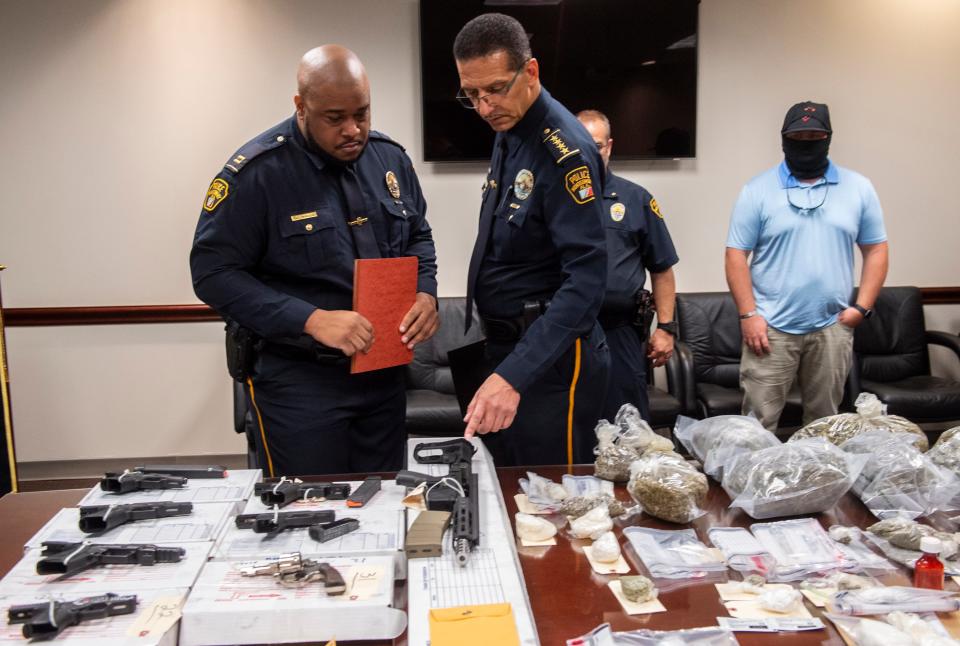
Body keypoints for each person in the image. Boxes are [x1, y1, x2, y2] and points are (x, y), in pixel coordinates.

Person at [190, 45, 439, 476]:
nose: (353, 130)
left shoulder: (390, 159)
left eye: (362, 113)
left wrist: (426, 292)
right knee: (308, 510)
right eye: (335, 118)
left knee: (380, 504)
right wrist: (311, 319)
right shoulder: (258, 173)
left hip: (382, 377)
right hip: (301, 383)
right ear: (301, 107)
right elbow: (213, 273)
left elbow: (418, 234)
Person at [454, 13, 610, 466]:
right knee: (508, 492)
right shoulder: (510, 127)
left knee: (551, 503)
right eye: (472, 95)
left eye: (496, 89)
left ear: (531, 72)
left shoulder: (564, 151)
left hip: (553, 361)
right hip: (512, 348)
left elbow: (586, 283)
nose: (484, 107)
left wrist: (515, 377)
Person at [725, 101, 889, 432]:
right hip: (769, 330)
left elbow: (876, 249)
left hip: (832, 327)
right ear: (783, 139)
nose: (806, 142)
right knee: (757, 425)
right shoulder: (756, 190)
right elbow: (735, 255)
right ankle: (752, 483)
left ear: (828, 138)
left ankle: (816, 484)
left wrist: (861, 308)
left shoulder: (858, 187)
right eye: (798, 136)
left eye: (815, 135)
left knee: (824, 424)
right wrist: (748, 315)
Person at [576, 110, 679, 422]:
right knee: (573, 420)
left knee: (627, 418)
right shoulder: (552, 198)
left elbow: (661, 269)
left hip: (619, 331)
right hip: (568, 333)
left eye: (595, 146)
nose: (588, 155)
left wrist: (665, 328)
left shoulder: (637, 200)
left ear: (609, 146)